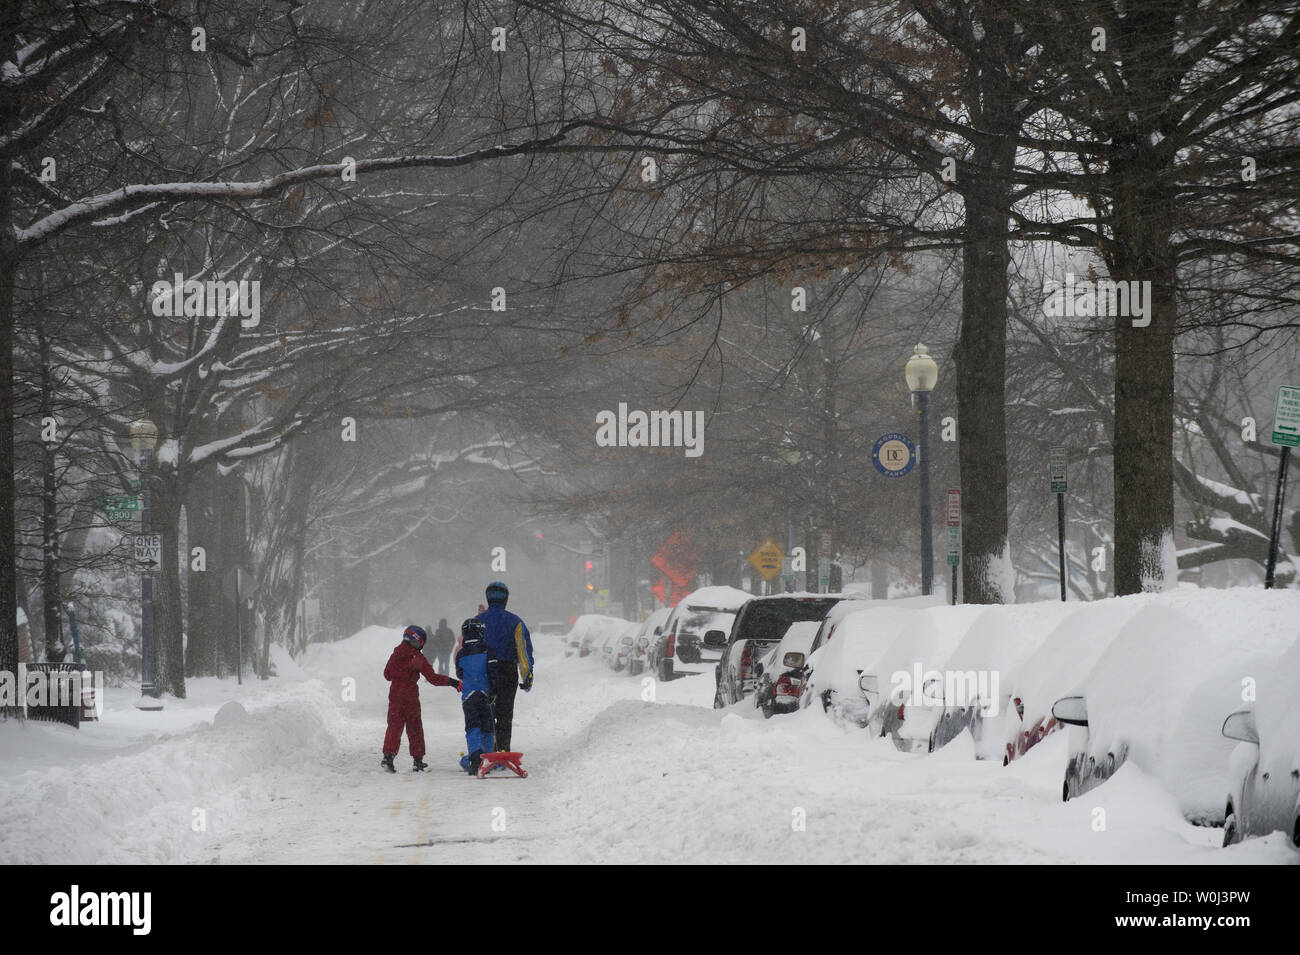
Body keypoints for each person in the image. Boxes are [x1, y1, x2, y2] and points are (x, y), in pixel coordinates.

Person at [381, 624, 460, 773]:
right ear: (418, 641)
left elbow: (387, 675)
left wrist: (399, 673)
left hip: (395, 695)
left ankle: (388, 757)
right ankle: (418, 761)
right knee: (414, 727)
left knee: (394, 727)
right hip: (410, 696)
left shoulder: (395, 654)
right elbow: (433, 678)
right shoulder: (418, 657)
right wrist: (453, 682)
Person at [474, 581, 533, 753]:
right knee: (505, 713)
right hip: (507, 672)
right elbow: (523, 652)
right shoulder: (515, 622)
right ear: (506, 599)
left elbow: (470, 650)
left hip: (484, 671)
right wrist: (527, 676)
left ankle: (486, 748)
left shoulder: (478, 622)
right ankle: (503, 750)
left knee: (486, 711)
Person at [455, 618, 494, 775]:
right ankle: (487, 758)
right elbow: (493, 672)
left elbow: (460, 673)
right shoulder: (488, 650)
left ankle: (475, 759)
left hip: (469, 696)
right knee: (487, 727)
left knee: (472, 727)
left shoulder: (461, 654)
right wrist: (495, 690)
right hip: (485, 693)